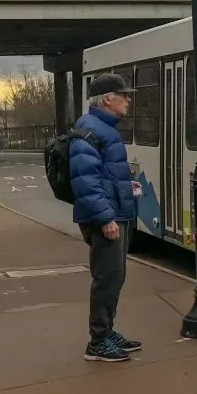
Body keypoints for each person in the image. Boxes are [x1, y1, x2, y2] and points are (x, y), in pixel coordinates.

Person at [71, 72, 142, 362]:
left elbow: (100, 175)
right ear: (106, 99)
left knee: (115, 276)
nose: (127, 99)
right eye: (123, 95)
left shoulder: (103, 128)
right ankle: (98, 341)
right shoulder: (91, 129)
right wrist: (104, 218)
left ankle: (107, 331)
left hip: (115, 213)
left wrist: (126, 186)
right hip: (106, 219)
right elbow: (84, 180)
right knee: (107, 278)